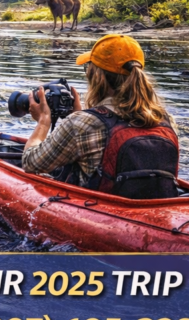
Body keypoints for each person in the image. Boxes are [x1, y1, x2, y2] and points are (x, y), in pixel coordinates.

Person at [22, 34, 179, 199]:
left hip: (100, 214)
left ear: (97, 76)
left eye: (88, 69)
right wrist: (78, 115)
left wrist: (43, 122)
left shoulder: (82, 124)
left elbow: (31, 163)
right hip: (156, 209)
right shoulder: (166, 120)